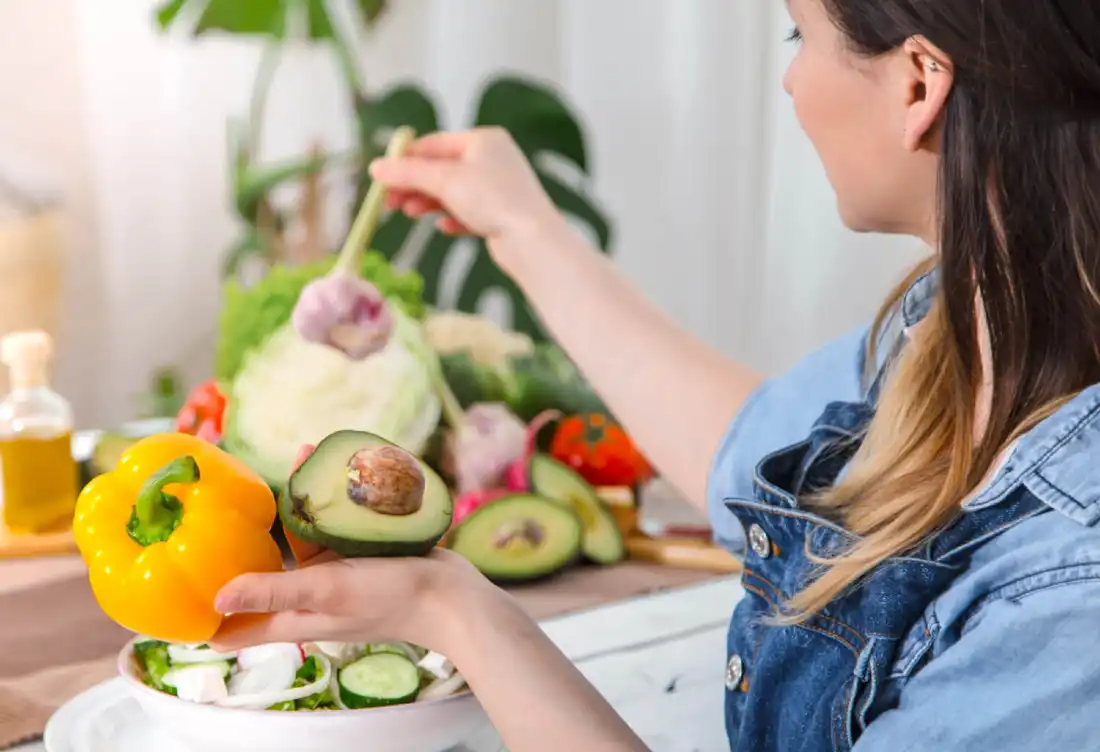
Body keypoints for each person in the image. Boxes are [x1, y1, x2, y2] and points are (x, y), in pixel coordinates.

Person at [210, 0, 1100, 749]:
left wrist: (457, 615)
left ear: (917, 82)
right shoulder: (967, 324)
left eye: (801, 37)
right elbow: (755, 450)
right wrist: (522, 230)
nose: (791, 81)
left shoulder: (1074, 589)